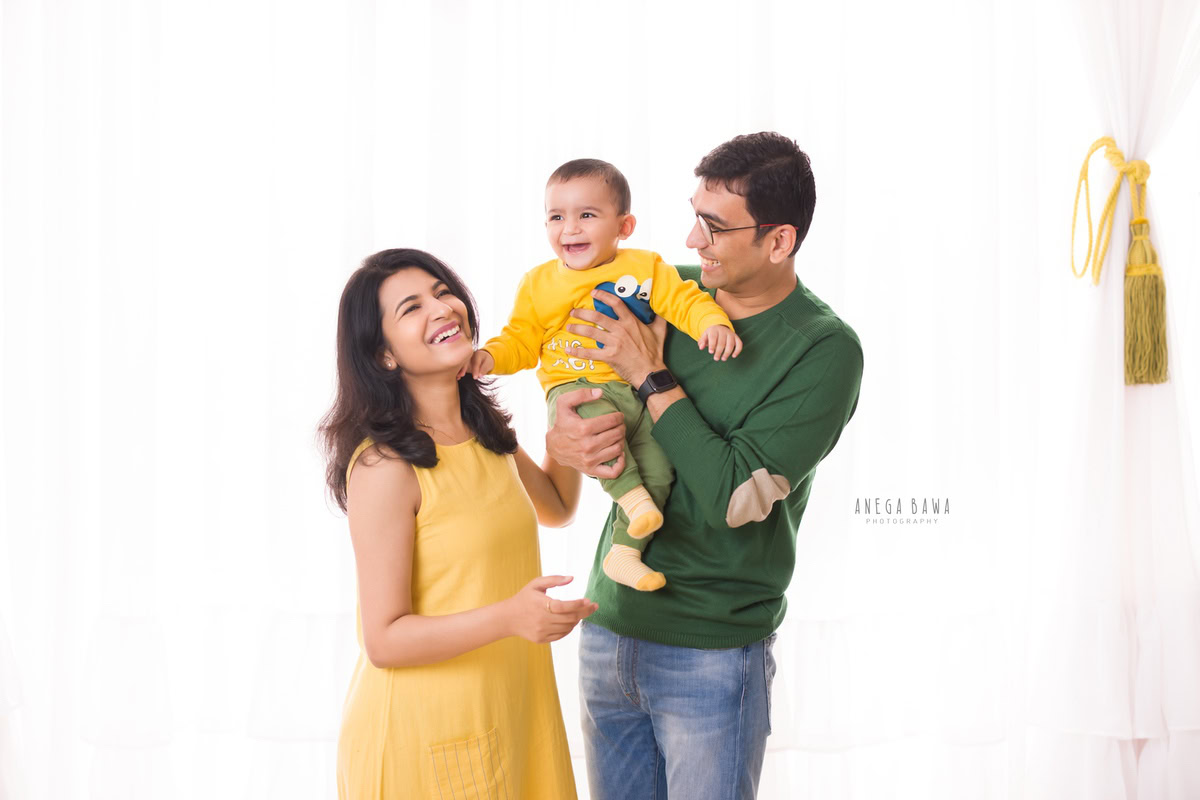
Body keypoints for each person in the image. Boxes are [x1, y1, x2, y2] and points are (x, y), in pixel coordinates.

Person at [546, 132, 865, 799]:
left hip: (712, 653)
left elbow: (733, 498)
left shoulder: (823, 349)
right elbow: (572, 372)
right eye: (695, 217)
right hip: (607, 627)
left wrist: (649, 373)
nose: (693, 241)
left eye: (715, 227)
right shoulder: (659, 290)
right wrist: (565, 434)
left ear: (779, 241)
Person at [319, 248, 596, 799]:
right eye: (411, 308)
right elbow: (384, 640)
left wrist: (564, 430)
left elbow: (556, 506)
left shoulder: (479, 429)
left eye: (443, 292)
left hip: (509, 712)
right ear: (384, 355)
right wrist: (511, 617)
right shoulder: (385, 467)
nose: (442, 308)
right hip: (427, 734)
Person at [464, 158, 742, 592]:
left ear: (624, 226)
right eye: (556, 217)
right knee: (601, 436)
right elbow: (520, 339)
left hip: (638, 394)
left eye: (587, 215)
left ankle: (625, 552)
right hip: (576, 389)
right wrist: (489, 357)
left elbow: (686, 301)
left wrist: (713, 323)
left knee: (659, 467)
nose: (570, 229)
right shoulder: (538, 284)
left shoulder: (647, 268)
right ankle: (631, 498)